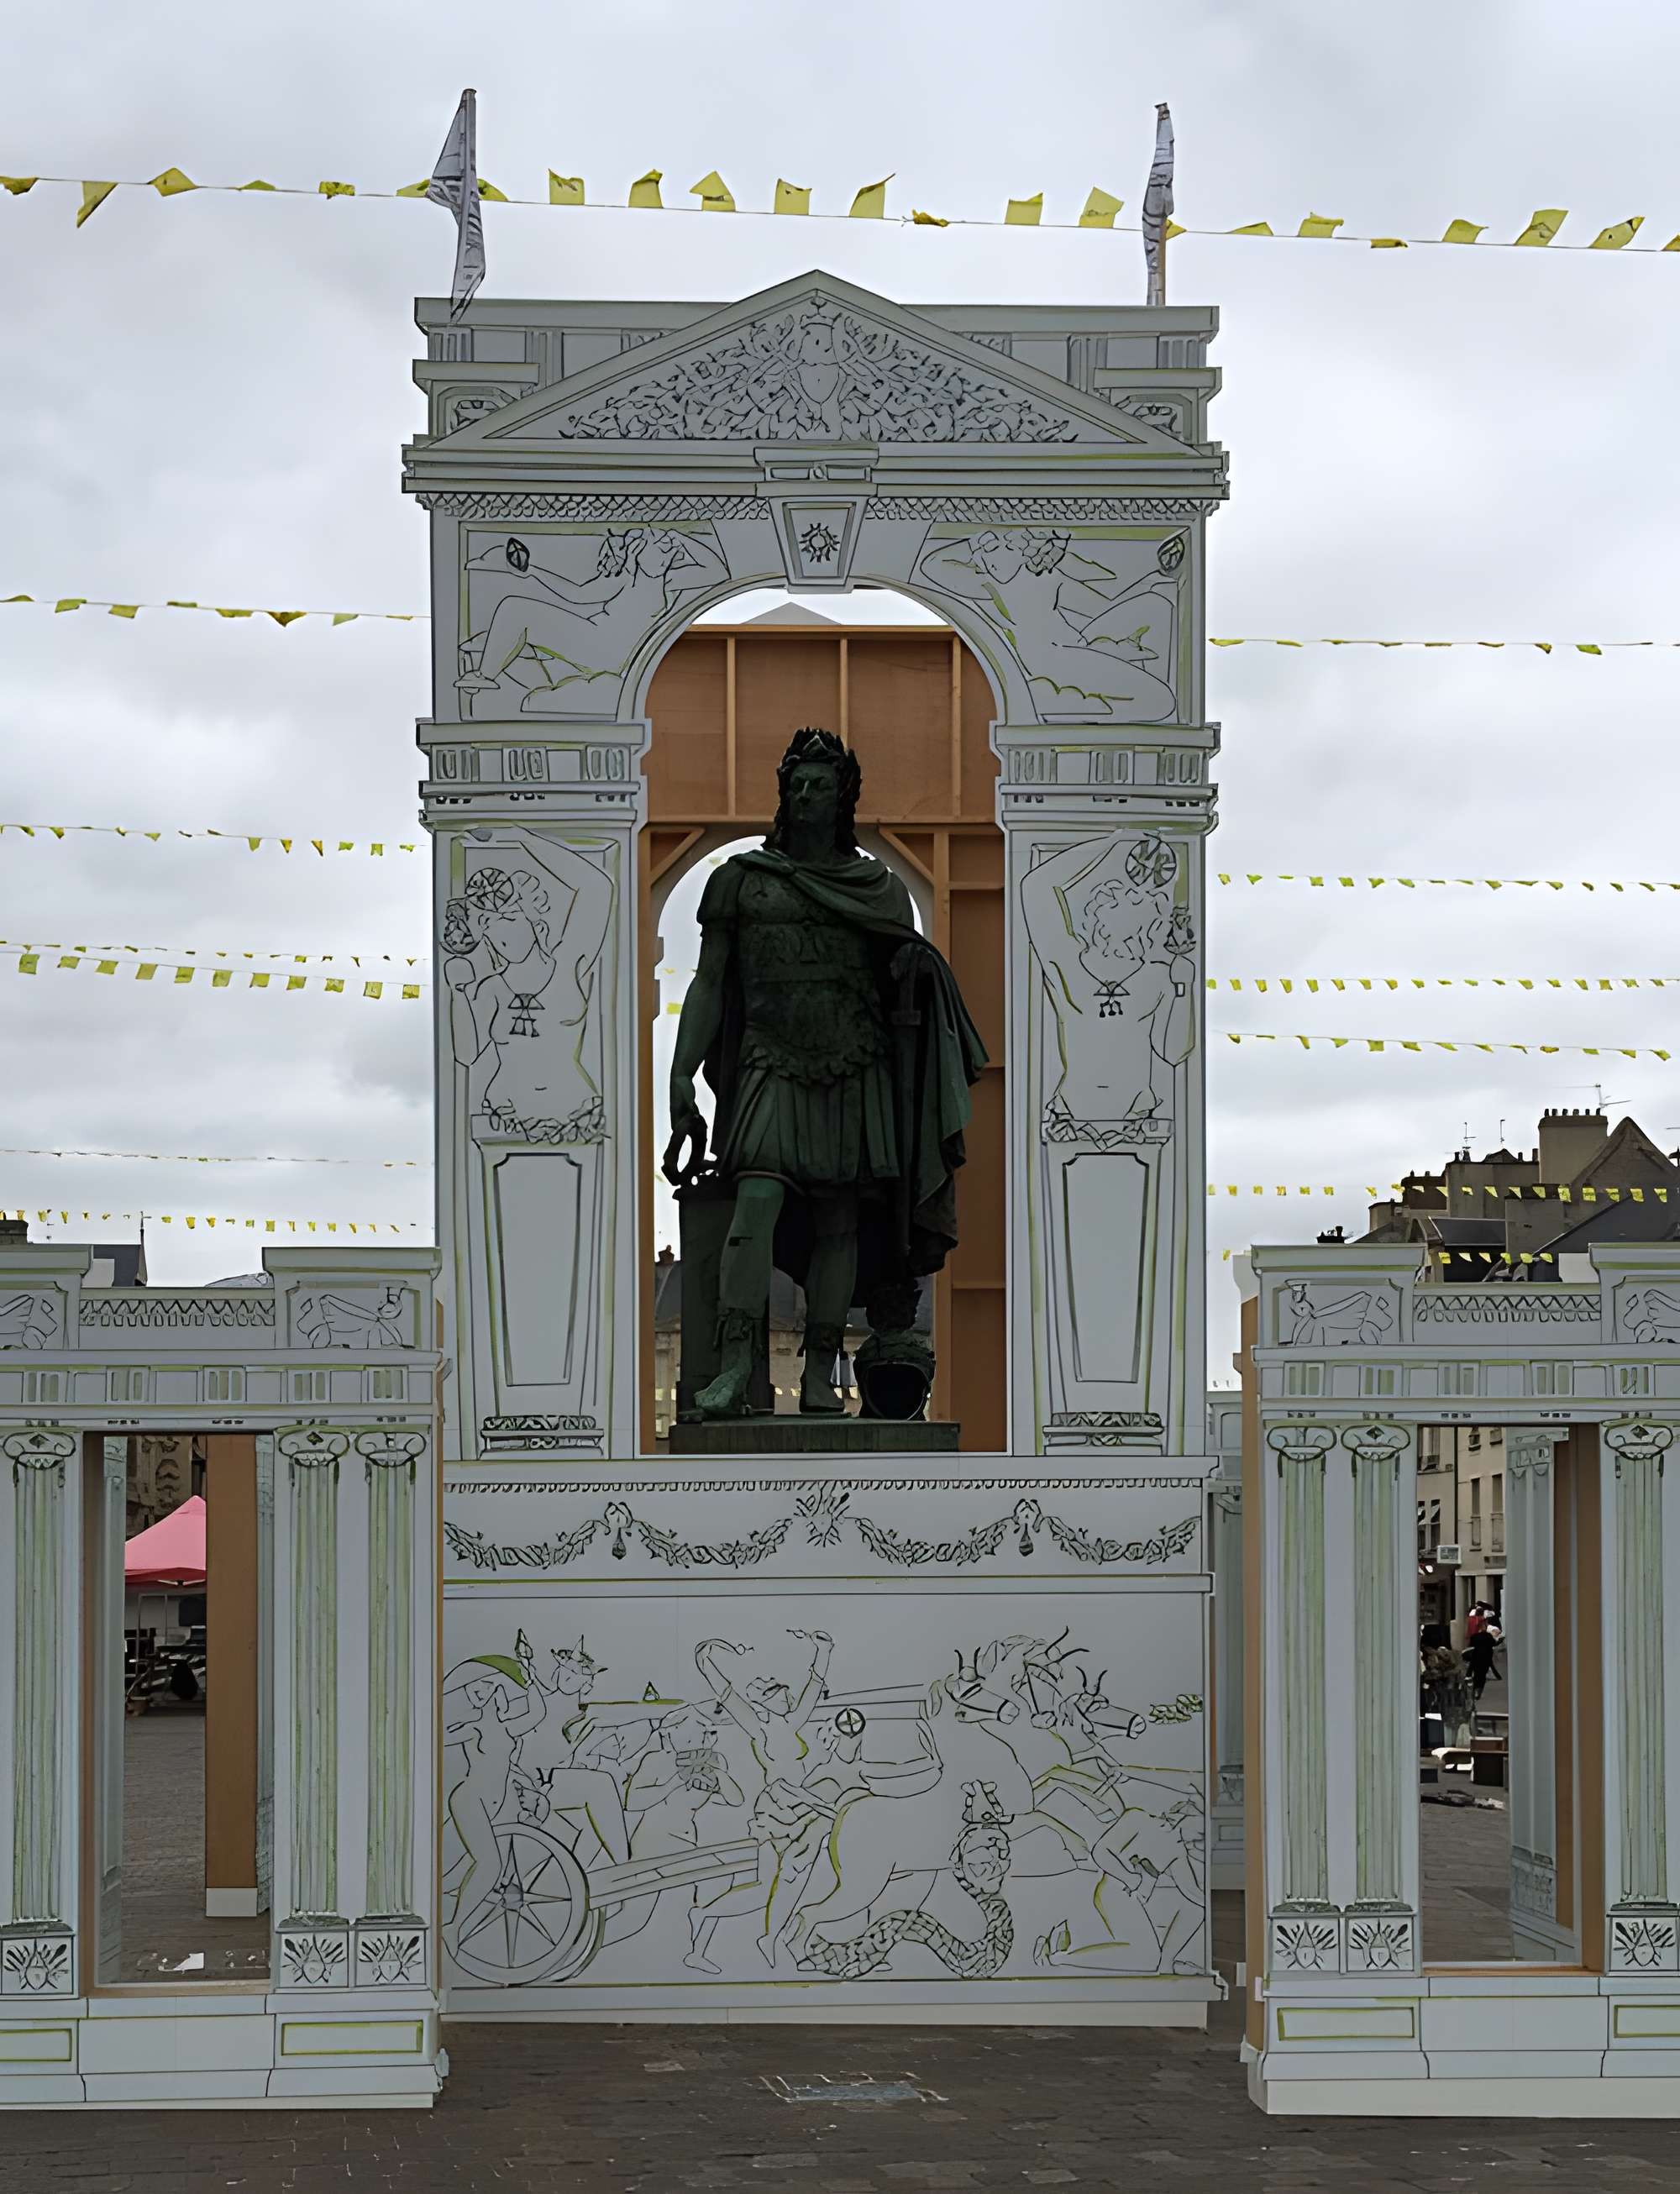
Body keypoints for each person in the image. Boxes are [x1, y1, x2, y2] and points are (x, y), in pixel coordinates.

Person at [663, 727, 986, 1419]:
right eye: (796, 785)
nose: (806, 796)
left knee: (840, 1221)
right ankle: (736, 1365)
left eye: (819, 785)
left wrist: (915, 969)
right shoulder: (739, 883)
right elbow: (710, 984)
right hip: (767, 1062)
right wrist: (681, 1076)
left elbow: (905, 973)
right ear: (784, 794)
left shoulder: (879, 889)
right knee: (752, 1208)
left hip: (855, 1062)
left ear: (843, 797)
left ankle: (817, 1371)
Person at [1464, 1622, 1497, 1701]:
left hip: (1476, 1658)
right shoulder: (1489, 1636)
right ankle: (1479, 1691)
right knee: (1482, 1676)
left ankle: (1475, 1689)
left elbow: (1471, 1645)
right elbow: (1494, 1643)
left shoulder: (1474, 1636)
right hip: (1486, 1659)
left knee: (1476, 1675)